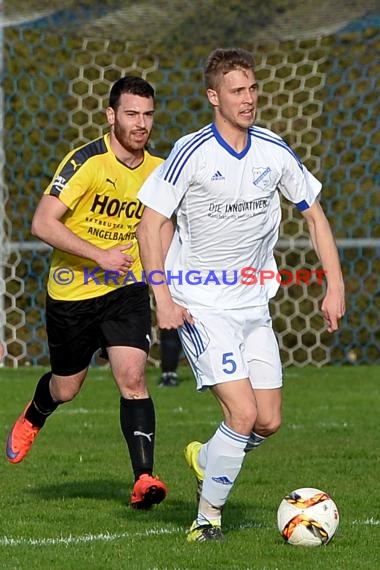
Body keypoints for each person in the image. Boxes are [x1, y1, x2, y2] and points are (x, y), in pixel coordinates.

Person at [136, 48, 345, 540]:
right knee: (243, 413)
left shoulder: (274, 150)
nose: (248, 99)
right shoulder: (192, 151)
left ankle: (208, 457)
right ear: (214, 97)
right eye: (236, 91)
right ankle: (206, 519)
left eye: (251, 88)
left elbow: (314, 216)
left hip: (254, 306)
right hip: (201, 307)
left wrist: (334, 285)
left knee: (267, 421)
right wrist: (162, 299)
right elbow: (150, 225)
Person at [5, 75, 171, 510]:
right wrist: (98, 255)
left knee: (133, 377)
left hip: (127, 289)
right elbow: (42, 223)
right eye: (132, 114)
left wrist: (165, 285)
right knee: (66, 389)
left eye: (148, 114)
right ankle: (34, 414)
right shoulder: (86, 162)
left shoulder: (159, 171)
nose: (141, 124)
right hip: (73, 294)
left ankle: (144, 478)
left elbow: (163, 229)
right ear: (111, 115)